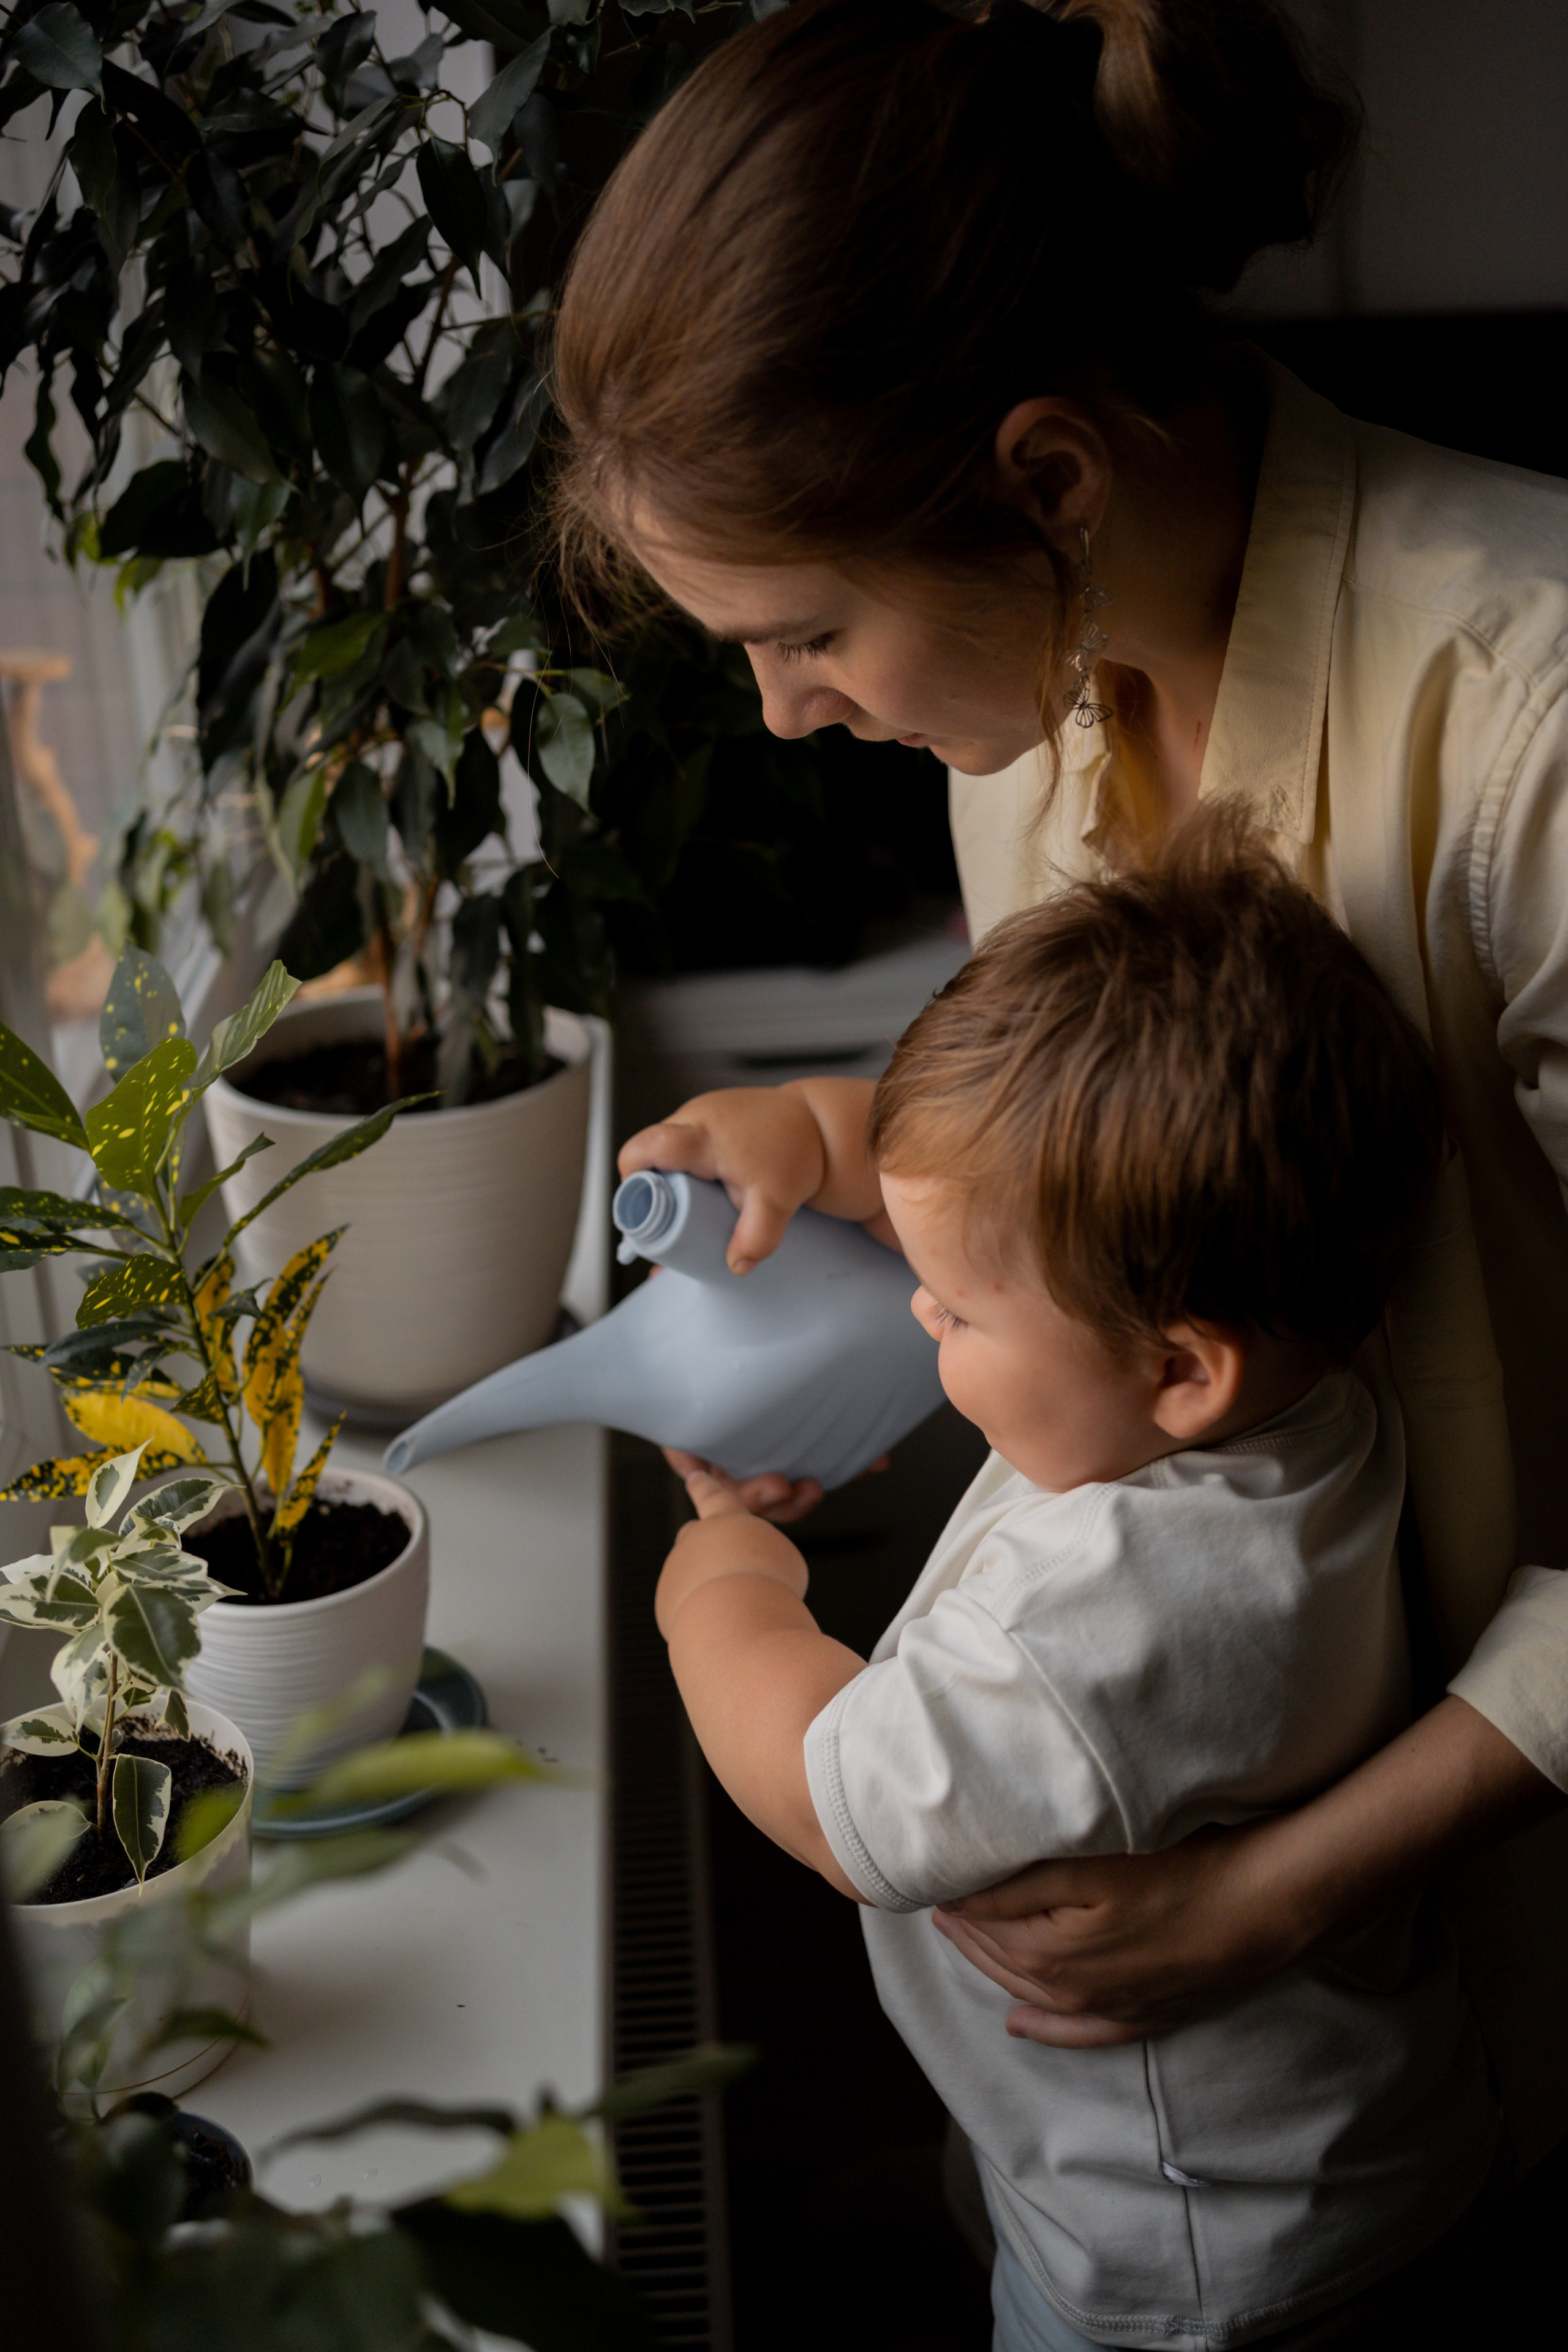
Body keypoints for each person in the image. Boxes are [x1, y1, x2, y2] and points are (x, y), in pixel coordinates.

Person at [552, 0, 1568, 2171]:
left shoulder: (1534, 726)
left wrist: (1291, 1885)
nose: (788, 715)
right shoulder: (1037, 731)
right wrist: (839, 1134)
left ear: (1044, 482)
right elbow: (1128, 1154)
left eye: (807, 629)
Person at [655, 822, 1501, 2349]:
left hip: (1185, 2254)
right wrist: (812, 1132)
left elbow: (826, 1794)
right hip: (1332, 2132)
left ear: (1177, 1368)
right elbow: (1000, 1218)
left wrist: (720, 1590)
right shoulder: (1303, 1385)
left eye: (957, 1309)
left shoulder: (1097, 1614)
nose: (918, 1311)